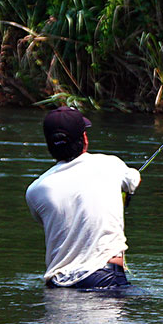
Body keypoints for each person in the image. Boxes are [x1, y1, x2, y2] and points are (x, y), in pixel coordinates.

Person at [26, 106, 141, 289]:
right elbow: (134, 180)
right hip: (105, 279)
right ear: (84, 139)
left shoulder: (35, 190)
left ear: (49, 145)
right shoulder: (110, 164)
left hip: (57, 285)